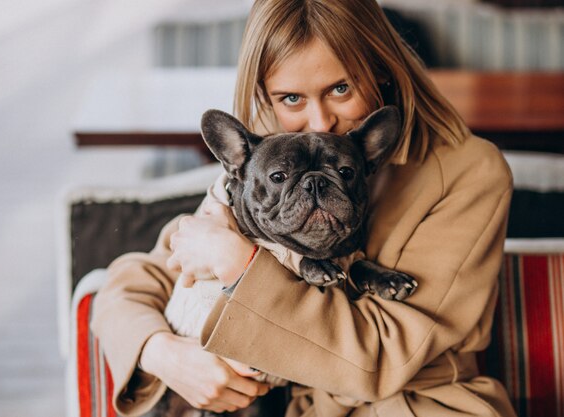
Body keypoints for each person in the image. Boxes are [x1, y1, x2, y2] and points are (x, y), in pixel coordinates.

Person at [91, 0, 517, 416]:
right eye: (291, 98)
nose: (319, 121)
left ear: (382, 70)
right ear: (265, 95)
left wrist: (242, 265)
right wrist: (162, 353)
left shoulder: (468, 172)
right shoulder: (266, 169)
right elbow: (129, 285)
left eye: (340, 88)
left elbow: (384, 359)